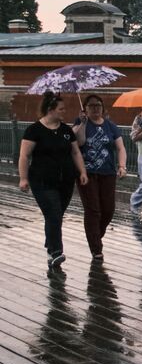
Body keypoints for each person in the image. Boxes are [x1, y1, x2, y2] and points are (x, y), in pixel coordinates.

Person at [18, 91, 88, 270]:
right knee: (54, 214)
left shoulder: (66, 130)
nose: (64, 112)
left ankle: (50, 245)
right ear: (50, 109)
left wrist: (82, 172)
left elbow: (75, 152)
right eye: (61, 109)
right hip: (42, 181)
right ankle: (56, 252)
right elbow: (25, 155)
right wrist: (23, 178)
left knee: (56, 216)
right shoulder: (34, 130)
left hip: (66, 181)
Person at [74, 94, 127, 261]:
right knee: (93, 210)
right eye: (91, 106)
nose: (95, 108)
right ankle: (96, 249)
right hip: (87, 173)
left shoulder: (111, 126)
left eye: (98, 105)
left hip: (107, 173)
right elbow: (79, 142)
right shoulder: (80, 124)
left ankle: (95, 236)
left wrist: (122, 166)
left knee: (108, 210)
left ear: (103, 108)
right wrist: (82, 122)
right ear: (85, 108)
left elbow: (120, 148)